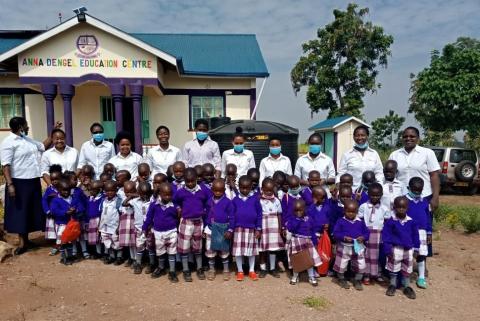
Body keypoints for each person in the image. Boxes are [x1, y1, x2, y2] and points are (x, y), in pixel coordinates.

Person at [1, 117, 59, 255]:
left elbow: (43, 146)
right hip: (18, 181)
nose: (28, 128)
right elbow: (5, 165)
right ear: (21, 127)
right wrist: (10, 184)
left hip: (32, 180)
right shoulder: (8, 143)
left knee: (30, 210)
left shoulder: (27, 140)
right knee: (20, 211)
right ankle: (22, 243)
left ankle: (27, 240)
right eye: (26, 126)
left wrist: (53, 132)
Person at [389, 127, 440, 212]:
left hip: (424, 196)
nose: (408, 138)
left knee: (423, 223)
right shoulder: (395, 155)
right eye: (405, 136)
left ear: (418, 138)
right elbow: (390, 176)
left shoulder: (427, 153)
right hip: (401, 197)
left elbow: (434, 176)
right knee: (404, 224)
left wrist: (435, 197)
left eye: (412, 136)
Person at [174, 168, 209, 282]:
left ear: (196, 179)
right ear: (184, 180)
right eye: (187, 181)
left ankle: (199, 268)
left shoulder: (202, 190)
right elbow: (175, 201)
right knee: (184, 247)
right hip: (186, 222)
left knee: (197, 246)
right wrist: (178, 208)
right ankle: (186, 269)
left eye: (192, 181)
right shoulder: (180, 191)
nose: (190, 183)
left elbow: (208, 201)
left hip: (198, 222)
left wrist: (204, 210)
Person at [382, 196, 419, 299]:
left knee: (407, 268)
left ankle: (407, 286)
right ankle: (392, 284)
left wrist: (416, 248)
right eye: (398, 207)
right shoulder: (391, 221)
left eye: (403, 207)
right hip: (395, 248)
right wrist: (387, 247)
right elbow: (386, 235)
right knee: (394, 267)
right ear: (394, 208)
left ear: (407, 208)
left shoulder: (411, 222)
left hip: (408, 249)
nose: (401, 209)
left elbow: (415, 236)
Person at [143, 183, 179, 283]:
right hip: (158, 232)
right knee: (160, 251)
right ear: (160, 194)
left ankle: (172, 271)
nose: (168, 197)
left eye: (170, 194)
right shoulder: (154, 205)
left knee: (172, 252)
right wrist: (145, 227)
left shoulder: (174, 206)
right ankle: (161, 267)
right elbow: (149, 217)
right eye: (165, 194)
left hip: (171, 232)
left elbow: (177, 218)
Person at [357, 183, 391, 285]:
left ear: (381, 195)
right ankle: (366, 275)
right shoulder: (363, 206)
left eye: (377, 195)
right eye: (372, 195)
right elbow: (361, 220)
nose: (375, 197)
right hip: (367, 233)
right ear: (368, 194)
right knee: (366, 255)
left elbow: (386, 222)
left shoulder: (384, 208)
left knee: (377, 255)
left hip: (378, 234)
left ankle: (377, 274)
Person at [333, 199, 370, 291]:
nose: (350, 214)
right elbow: (336, 233)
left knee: (360, 263)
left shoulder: (360, 222)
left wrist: (363, 237)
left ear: (357, 212)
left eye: (353, 212)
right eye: (348, 211)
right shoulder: (341, 221)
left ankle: (357, 280)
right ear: (344, 211)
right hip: (344, 246)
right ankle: (341, 278)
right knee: (342, 263)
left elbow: (367, 233)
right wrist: (344, 237)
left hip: (358, 246)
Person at [231, 175, 262, 282]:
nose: (244, 190)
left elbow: (259, 214)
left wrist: (258, 228)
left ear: (250, 187)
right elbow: (232, 215)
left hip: (251, 229)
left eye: (247, 188)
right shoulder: (235, 200)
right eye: (242, 187)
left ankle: (251, 271)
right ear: (238, 187)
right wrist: (231, 229)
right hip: (238, 229)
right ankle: (240, 271)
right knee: (239, 251)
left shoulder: (255, 199)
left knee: (251, 251)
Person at [336, 125, 384, 191]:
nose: (360, 138)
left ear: (367, 136)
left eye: (362, 135)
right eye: (357, 135)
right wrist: (338, 186)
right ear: (353, 137)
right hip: (352, 192)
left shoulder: (374, 154)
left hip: (371, 193)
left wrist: (378, 186)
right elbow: (341, 173)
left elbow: (379, 173)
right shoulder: (347, 154)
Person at [203, 179, 234, 281]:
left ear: (224, 190)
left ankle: (225, 270)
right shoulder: (209, 201)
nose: (218, 192)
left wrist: (230, 230)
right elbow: (206, 215)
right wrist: (205, 228)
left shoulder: (228, 202)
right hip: (210, 229)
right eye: (215, 190)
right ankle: (212, 269)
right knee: (210, 250)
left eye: (220, 190)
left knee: (224, 250)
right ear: (212, 189)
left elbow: (232, 217)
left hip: (223, 229)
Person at [287, 199, 322, 286]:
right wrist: (298, 220)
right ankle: (295, 277)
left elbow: (312, 229)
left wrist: (315, 240)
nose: (298, 212)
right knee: (297, 260)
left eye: (300, 210)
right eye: (296, 210)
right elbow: (291, 228)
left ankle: (311, 276)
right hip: (296, 241)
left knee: (309, 260)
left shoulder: (309, 219)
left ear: (304, 209)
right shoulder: (292, 219)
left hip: (307, 242)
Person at [406, 177, 432, 289]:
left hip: (422, 232)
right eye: (414, 190)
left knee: (421, 255)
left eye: (419, 190)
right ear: (408, 188)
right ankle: (406, 275)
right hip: (408, 231)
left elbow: (428, 217)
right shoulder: (404, 201)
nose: (417, 192)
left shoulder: (425, 202)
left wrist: (429, 232)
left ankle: (421, 277)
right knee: (408, 254)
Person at [50, 180, 83, 265]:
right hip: (62, 224)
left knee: (71, 241)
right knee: (64, 241)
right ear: (59, 190)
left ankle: (70, 256)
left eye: (68, 190)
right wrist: (65, 212)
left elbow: (81, 207)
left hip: (72, 225)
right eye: (63, 190)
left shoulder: (74, 198)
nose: (66, 192)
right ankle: (64, 257)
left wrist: (76, 210)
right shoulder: (56, 200)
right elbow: (54, 211)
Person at [258, 178, 284, 278]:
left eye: (271, 190)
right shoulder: (259, 200)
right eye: (266, 190)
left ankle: (272, 268)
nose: (269, 192)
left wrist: (280, 227)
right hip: (263, 227)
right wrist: (258, 228)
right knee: (262, 249)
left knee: (273, 249)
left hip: (274, 227)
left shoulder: (276, 200)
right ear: (262, 189)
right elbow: (258, 215)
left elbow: (279, 214)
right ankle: (263, 269)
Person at [129, 182, 155, 275]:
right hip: (139, 228)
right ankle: (138, 263)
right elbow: (124, 204)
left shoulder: (152, 200)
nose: (145, 195)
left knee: (150, 247)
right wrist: (133, 195)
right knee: (139, 247)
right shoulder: (135, 201)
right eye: (142, 193)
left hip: (150, 228)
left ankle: (152, 264)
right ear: (139, 192)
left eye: (147, 193)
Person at [42, 164, 62, 256]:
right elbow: (44, 200)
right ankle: (57, 244)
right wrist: (47, 211)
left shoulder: (64, 188)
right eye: (52, 180)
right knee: (54, 230)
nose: (54, 182)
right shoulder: (49, 190)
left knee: (61, 229)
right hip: (52, 215)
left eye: (57, 179)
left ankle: (61, 245)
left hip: (62, 214)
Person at [86, 180, 104, 259]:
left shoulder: (102, 198)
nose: (90, 191)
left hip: (98, 219)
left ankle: (103, 252)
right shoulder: (90, 198)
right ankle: (97, 252)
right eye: (90, 190)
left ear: (99, 190)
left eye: (93, 190)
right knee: (95, 238)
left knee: (100, 237)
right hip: (91, 220)